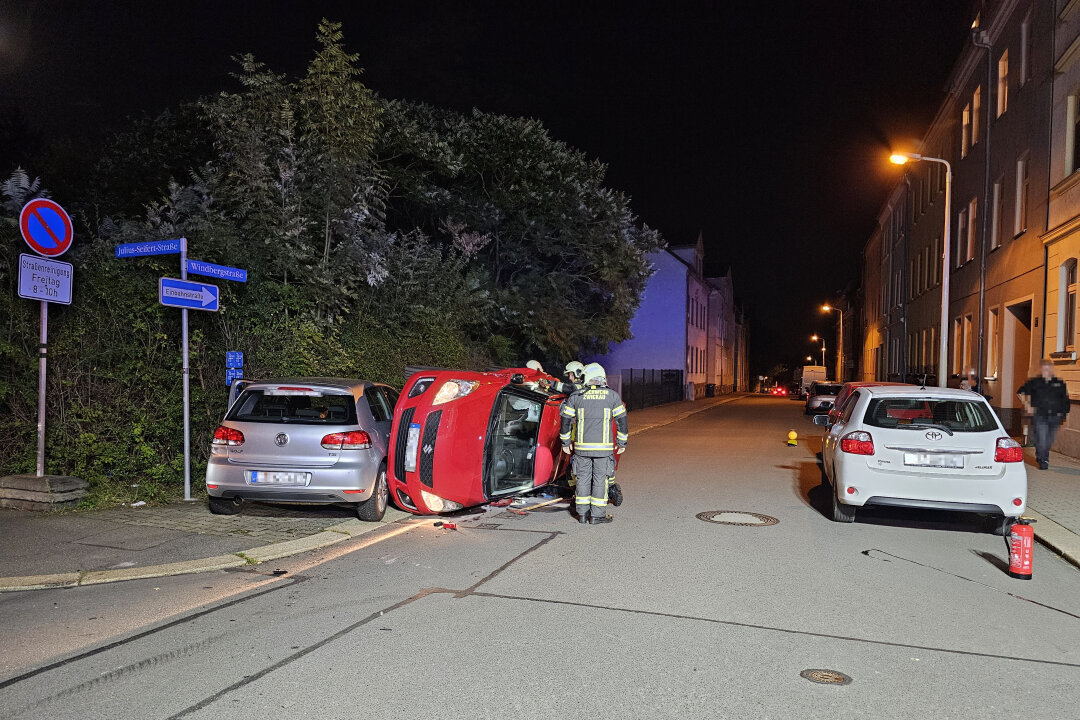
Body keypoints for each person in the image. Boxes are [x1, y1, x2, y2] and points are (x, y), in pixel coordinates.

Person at [559, 363, 628, 524]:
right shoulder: (612, 396)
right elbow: (622, 420)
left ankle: (582, 515)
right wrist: (622, 442)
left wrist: (565, 442)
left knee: (582, 479)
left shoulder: (576, 396)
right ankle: (597, 515)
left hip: (582, 448)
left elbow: (566, 419)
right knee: (600, 480)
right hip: (603, 449)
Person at [1017, 359, 1071, 470]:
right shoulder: (1035, 382)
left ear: (1052, 369)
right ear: (1041, 370)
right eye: (1044, 369)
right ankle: (1043, 459)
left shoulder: (1059, 383)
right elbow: (1020, 392)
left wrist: (1065, 414)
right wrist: (1027, 405)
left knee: (1049, 439)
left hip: (1055, 416)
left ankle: (1041, 454)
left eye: (1048, 369)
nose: (1047, 371)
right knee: (1041, 437)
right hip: (1040, 415)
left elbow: (1065, 400)